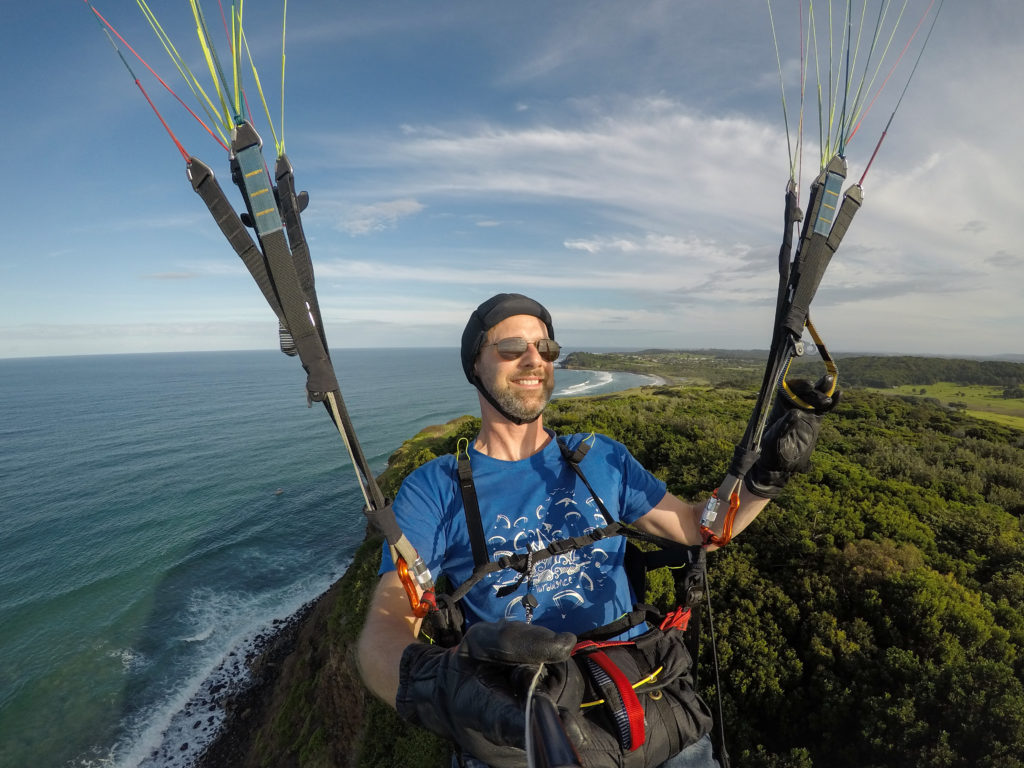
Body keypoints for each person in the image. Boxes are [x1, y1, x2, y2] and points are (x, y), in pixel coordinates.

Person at [357, 293, 838, 768]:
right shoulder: (435, 488)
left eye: (546, 348)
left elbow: (698, 528)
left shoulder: (601, 457)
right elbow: (385, 627)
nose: (534, 360)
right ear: (474, 365)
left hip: (648, 706)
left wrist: (762, 481)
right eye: (511, 347)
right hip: (525, 730)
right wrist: (443, 686)